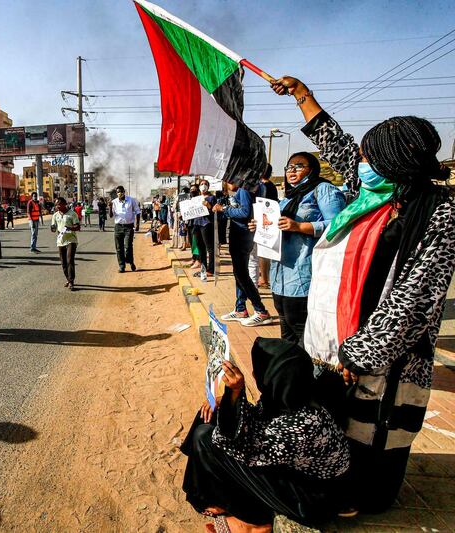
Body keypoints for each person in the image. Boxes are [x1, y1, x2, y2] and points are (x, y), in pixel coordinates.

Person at [273, 75, 455, 513]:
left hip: (380, 356)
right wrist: (303, 96)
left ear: (394, 160)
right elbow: (338, 145)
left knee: (374, 432)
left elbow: (414, 300)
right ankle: (334, 489)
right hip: (332, 347)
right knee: (332, 425)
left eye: (369, 156)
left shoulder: (437, 212)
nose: (360, 162)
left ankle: (365, 498)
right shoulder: (369, 195)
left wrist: (359, 353)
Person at [181, 339, 350, 530]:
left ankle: (254, 519)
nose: (253, 374)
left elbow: (240, 447)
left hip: (310, 500)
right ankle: (207, 490)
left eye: (259, 370)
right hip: (291, 472)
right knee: (214, 413)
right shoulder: (291, 394)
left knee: (206, 438)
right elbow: (259, 419)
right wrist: (230, 399)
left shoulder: (305, 422)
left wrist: (235, 393)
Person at [248, 154, 345, 345]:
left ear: (312, 169)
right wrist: (260, 226)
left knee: (303, 334)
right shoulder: (289, 197)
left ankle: (307, 372)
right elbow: (277, 225)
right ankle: (290, 371)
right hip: (280, 276)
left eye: (298, 166)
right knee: (287, 333)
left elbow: (340, 226)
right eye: (288, 167)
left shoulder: (323, 190)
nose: (291, 171)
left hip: (304, 275)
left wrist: (301, 227)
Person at [213, 181, 274, 327]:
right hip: (242, 233)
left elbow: (245, 212)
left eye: (229, 179)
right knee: (239, 273)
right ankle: (240, 308)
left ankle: (261, 311)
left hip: (242, 234)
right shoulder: (252, 187)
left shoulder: (246, 188)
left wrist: (224, 209)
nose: (227, 183)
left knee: (241, 274)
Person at [50, 197, 80, 290]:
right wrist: (53, 228)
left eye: (59, 204)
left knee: (69, 260)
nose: (57, 206)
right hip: (60, 241)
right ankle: (68, 278)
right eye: (56, 204)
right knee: (63, 262)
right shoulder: (55, 215)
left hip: (71, 239)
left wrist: (70, 228)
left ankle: (71, 282)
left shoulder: (72, 214)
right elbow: (53, 227)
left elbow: (78, 227)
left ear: (64, 204)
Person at [257, 170, 280, 288]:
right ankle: (265, 278)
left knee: (263, 252)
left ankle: (264, 279)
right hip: (271, 219)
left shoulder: (262, 186)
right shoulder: (271, 185)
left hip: (264, 221)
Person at [111, 186, 140, 273]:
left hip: (129, 227)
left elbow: (138, 212)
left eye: (121, 192)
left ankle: (130, 262)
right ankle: (122, 266)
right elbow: (111, 215)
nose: (119, 193)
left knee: (128, 246)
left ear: (124, 192)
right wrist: (109, 207)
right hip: (118, 226)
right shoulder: (114, 202)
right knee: (119, 248)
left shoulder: (131, 200)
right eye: (118, 192)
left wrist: (137, 224)